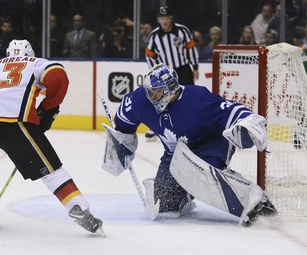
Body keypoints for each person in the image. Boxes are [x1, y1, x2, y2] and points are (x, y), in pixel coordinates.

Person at [102, 63, 278, 226]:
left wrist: (249, 122)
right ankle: (186, 193)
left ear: (171, 89)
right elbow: (124, 119)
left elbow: (231, 109)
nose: (151, 96)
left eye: (156, 92)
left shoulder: (197, 99)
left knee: (201, 174)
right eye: (150, 91)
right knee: (165, 206)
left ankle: (256, 202)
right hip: (175, 153)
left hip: (211, 143)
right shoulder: (141, 100)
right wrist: (121, 141)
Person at [0, 39, 104, 235]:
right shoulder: (35, 62)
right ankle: (78, 208)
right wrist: (48, 108)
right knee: (51, 170)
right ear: (30, 53)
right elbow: (57, 73)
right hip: (13, 124)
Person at [144, 6, 199, 140]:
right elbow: (149, 54)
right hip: (165, 73)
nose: (164, 21)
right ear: (158, 20)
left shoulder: (182, 31)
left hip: (183, 69)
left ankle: (193, 126)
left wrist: (195, 66)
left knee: (188, 97)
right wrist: (155, 70)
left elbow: (190, 48)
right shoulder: (154, 35)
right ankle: (155, 127)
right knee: (162, 100)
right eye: (162, 19)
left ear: (171, 19)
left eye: (166, 18)